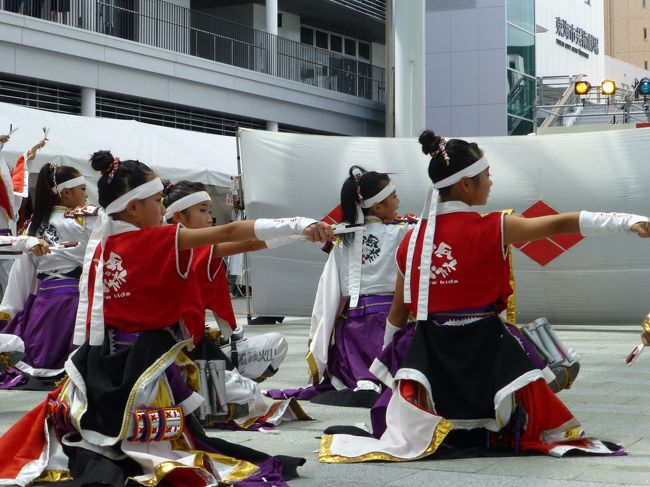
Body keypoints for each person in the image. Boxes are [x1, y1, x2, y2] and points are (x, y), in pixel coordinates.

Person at [0, 150, 333, 486]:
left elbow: (236, 242)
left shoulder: (105, 242)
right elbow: (230, 232)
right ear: (133, 207)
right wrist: (299, 224)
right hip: (145, 362)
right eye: (159, 200)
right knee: (159, 444)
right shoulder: (159, 239)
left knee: (102, 431)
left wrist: (296, 235)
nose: (164, 209)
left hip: (103, 358)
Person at [319, 130, 650, 463]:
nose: (490, 183)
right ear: (465, 185)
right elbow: (561, 224)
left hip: (432, 356)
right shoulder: (495, 226)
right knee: (514, 342)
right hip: (488, 349)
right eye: (486, 176)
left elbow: (397, 314)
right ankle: (515, 407)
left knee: (417, 347)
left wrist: (390, 368)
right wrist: (626, 221)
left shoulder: (411, 241)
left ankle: (429, 417)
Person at [267, 166, 417, 408]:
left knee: (348, 344)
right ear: (378, 206)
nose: (398, 201)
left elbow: (329, 292)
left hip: (354, 330)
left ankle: (363, 380)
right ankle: (379, 380)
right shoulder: (405, 232)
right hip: (393, 322)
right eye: (394, 196)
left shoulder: (343, 239)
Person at [162, 180, 308, 428]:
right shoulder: (174, 247)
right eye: (203, 211)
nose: (209, 218)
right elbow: (244, 240)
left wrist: (297, 234)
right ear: (178, 216)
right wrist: (298, 228)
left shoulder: (199, 246)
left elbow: (248, 243)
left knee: (275, 344)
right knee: (252, 398)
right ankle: (211, 394)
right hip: (176, 356)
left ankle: (223, 386)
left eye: (209, 211)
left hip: (201, 346)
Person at [0, 163, 93, 389]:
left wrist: (9, 310)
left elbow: (21, 273)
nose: (86, 194)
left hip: (42, 306)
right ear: (66, 192)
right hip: (76, 303)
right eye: (82, 189)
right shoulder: (86, 219)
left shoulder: (34, 225)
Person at [0, 134, 47, 300]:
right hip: (7, 243)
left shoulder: (9, 202)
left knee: (8, 287)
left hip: (7, 245)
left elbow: (21, 170)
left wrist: (33, 150)